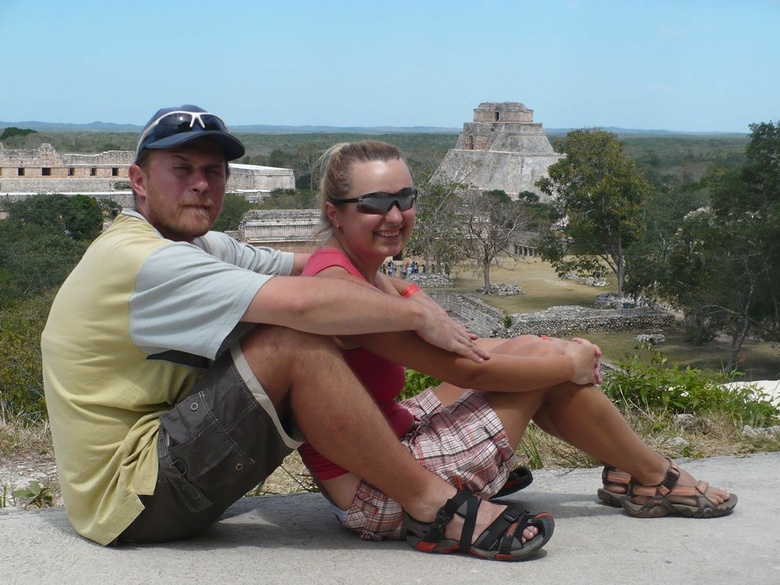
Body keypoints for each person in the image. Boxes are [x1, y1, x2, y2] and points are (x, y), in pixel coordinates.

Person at [41, 105, 552, 561]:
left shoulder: (202, 245)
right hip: (133, 497)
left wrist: (407, 294)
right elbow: (310, 302)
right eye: (181, 170)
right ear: (138, 180)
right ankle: (433, 504)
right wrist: (420, 317)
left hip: (155, 472)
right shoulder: (146, 260)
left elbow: (322, 267)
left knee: (307, 322)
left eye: (212, 172)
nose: (200, 184)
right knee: (293, 339)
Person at [297, 140, 738, 549]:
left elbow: (466, 345)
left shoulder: (363, 273)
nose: (395, 215)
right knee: (549, 369)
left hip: (393, 438)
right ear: (334, 212)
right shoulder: (340, 291)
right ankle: (652, 474)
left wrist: (549, 349)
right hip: (381, 491)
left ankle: (634, 467)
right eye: (374, 203)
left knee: (531, 346)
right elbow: (468, 371)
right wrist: (570, 365)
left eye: (405, 199)